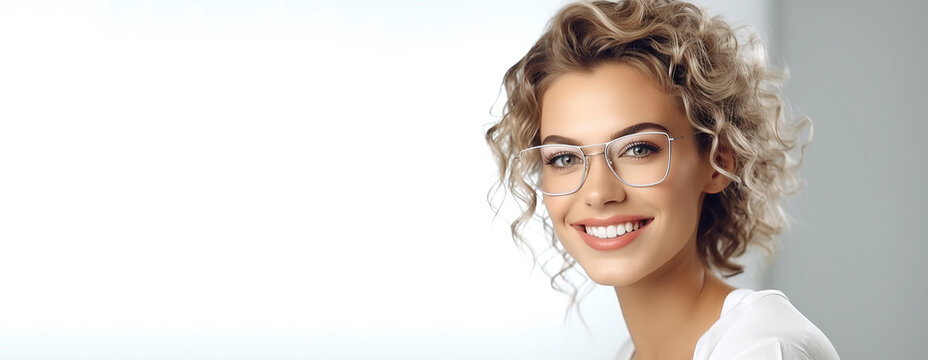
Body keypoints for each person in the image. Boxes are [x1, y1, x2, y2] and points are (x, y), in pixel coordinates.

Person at [484, 1, 839, 359]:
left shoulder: (762, 347)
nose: (597, 192)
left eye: (637, 149)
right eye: (564, 158)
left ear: (717, 162)